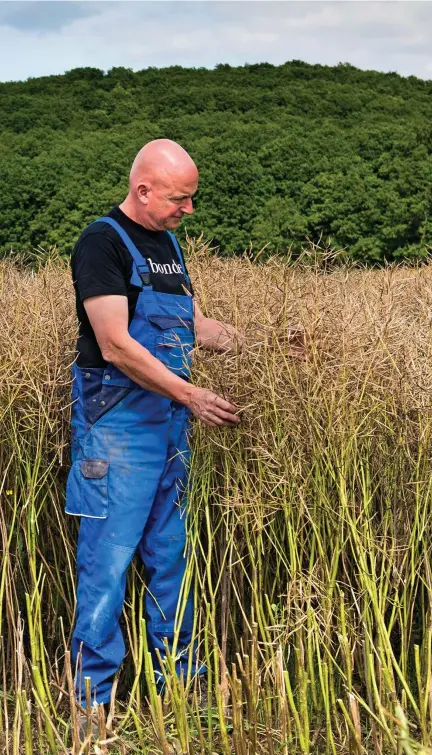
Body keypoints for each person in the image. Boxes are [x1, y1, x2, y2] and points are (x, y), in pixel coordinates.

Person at [66, 139, 243, 707]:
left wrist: (271, 345)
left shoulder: (167, 245)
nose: (189, 210)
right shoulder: (102, 243)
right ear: (143, 190)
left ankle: (180, 695)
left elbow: (196, 326)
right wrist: (192, 394)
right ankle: (92, 706)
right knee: (107, 564)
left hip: (168, 425)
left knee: (171, 560)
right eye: (179, 198)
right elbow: (116, 344)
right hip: (116, 426)